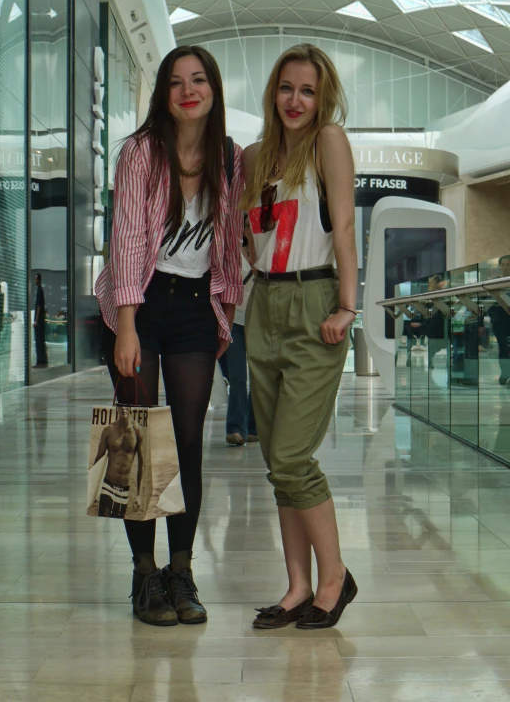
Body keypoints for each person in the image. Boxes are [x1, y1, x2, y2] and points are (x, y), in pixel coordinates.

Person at [95, 45, 244, 627]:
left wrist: (224, 314)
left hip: (196, 309)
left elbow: (228, 243)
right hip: (141, 301)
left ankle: (181, 571)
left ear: (213, 89)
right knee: (136, 438)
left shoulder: (227, 156)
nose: (189, 90)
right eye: (177, 81)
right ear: (163, 92)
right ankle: (143, 576)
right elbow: (129, 238)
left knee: (185, 445)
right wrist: (127, 324)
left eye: (199, 79)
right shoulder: (139, 152)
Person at [242, 43, 358, 630]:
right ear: (273, 92)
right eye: (287, 88)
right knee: (274, 459)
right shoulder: (255, 157)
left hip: (315, 303)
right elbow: (247, 239)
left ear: (323, 97)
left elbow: (343, 226)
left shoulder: (328, 142)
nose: (296, 100)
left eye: (307, 90)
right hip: (262, 302)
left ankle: (335, 580)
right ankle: (297, 586)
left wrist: (348, 305)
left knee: (291, 455)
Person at [224, 252, 258, 446]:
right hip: (234, 321)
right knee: (237, 377)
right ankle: (236, 428)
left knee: (257, 377)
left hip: (260, 321)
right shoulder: (233, 251)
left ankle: (254, 428)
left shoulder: (265, 249)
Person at [94, 406, 144, 518]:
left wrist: (139, 495)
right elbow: (98, 459)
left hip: (124, 488)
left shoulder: (137, 430)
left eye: (126, 406)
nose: (124, 408)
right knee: (104, 516)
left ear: (131, 408)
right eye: (120, 405)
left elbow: (142, 463)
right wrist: (94, 490)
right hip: (108, 484)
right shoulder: (109, 430)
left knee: (119, 517)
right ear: (116, 408)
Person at [489, 254, 510, 386]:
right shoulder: (495, 283)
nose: (506, 267)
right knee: (503, 347)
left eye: (508, 265)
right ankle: (506, 374)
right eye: (503, 265)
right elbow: (488, 304)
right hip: (500, 322)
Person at [33, 273, 48, 367]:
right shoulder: (40, 290)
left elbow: (39, 306)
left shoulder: (39, 290)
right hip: (40, 319)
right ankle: (42, 359)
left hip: (39, 320)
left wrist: (36, 320)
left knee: (39, 340)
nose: (35, 281)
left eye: (35, 279)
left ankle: (40, 360)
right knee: (40, 340)